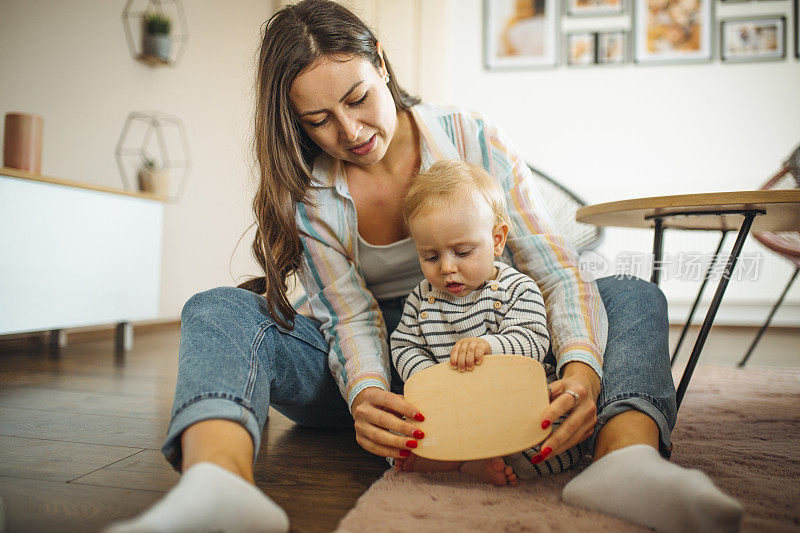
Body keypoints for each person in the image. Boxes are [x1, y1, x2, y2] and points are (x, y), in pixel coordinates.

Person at [106, 1, 743, 532]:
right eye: (318, 120)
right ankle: (219, 488)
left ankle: (625, 459)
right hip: (379, 377)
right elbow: (349, 318)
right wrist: (367, 394)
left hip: (497, 347)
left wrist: (579, 370)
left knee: (630, 293)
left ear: (381, 61)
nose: (350, 131)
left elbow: (550, 265)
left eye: (357, 98)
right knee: (216, 307)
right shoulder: (311, 195)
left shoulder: (471, 137)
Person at [389, 159, 587, 484]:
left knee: (554, 432)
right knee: (399, 428)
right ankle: (456, 461)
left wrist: (489, 345)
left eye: (462, 252)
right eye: (431, 256)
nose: (447, 268)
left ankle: (477, 459)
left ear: (497, 240)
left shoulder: (517, 288)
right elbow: (404, 344)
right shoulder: (421, 299)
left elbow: (533, 340)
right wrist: (427, 376)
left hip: (508, 399)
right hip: (451, 404)